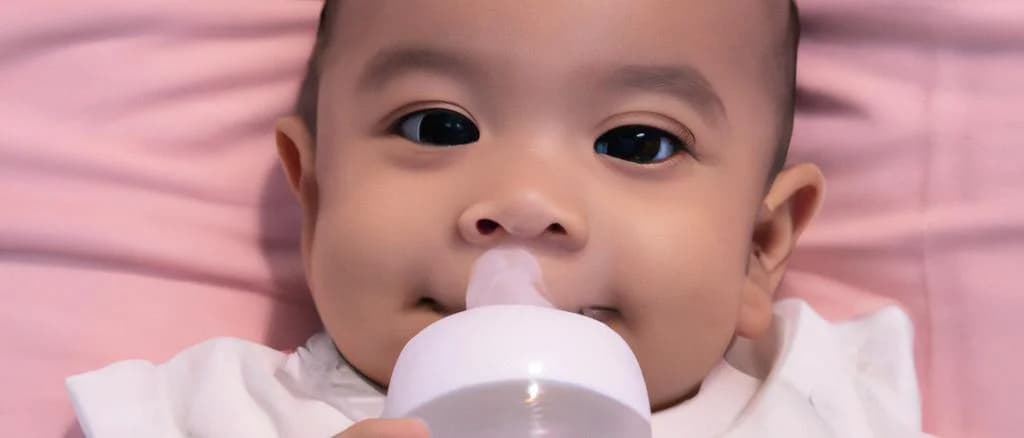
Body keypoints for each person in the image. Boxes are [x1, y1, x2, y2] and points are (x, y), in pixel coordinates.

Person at [66, 1, 930, 436]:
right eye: (437, 127)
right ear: (316, 198)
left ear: (757, 249)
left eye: (637, 142)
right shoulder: (210, 413)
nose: (522, 204)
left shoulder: (819, 399)